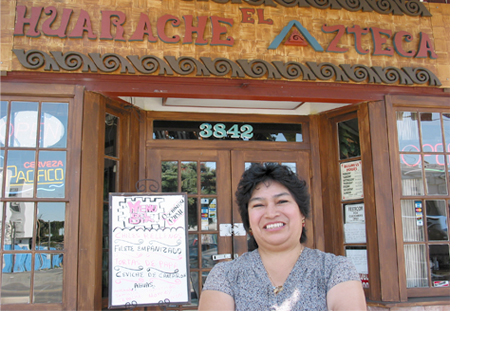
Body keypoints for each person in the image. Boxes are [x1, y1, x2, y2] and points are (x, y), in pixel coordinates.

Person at [198, 163, 366, 311]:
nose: (271, 213)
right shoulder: (225, 275)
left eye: (282, 202)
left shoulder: (335, 270)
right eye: (258, 205)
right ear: (249, 223)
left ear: (302, 214)